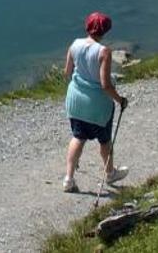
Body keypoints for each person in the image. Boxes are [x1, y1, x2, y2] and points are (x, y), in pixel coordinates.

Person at [62, 11, 129, 193]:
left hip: (75, 99)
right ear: (105, 30)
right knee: (104, 140)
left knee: (78, 136)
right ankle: (110, 173)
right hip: (97, 105)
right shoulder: (104, 52)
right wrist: (120, 100)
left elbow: (67, 72)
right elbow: (105, 85)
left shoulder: (74, 44)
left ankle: (68, 178)